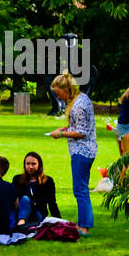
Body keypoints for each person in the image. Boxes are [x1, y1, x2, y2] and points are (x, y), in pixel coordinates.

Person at [47, 71, 97, 235]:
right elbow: (82, 127)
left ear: (66, 89)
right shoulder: (83, 98)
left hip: (81, 151)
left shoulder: (77, 106)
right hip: (88, 149)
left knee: (80, 190)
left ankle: (84, 227)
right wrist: (66, 129)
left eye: (58, 93)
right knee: (81, 189)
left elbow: (82, 132)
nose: (58, 97)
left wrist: (61, 134)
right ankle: (83, 224)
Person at [12, 151, 60, 226]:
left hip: (38, 214)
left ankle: (21, 224)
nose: (30, 167)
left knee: (25, 198)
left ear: (39, 165)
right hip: (21, 211)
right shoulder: (17, 179)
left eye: (33, 164)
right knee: (24, 200)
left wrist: (59, 221)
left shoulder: (48, 181)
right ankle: (22, 223)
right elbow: (13, 199)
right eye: (27, 164)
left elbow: (52, 203)